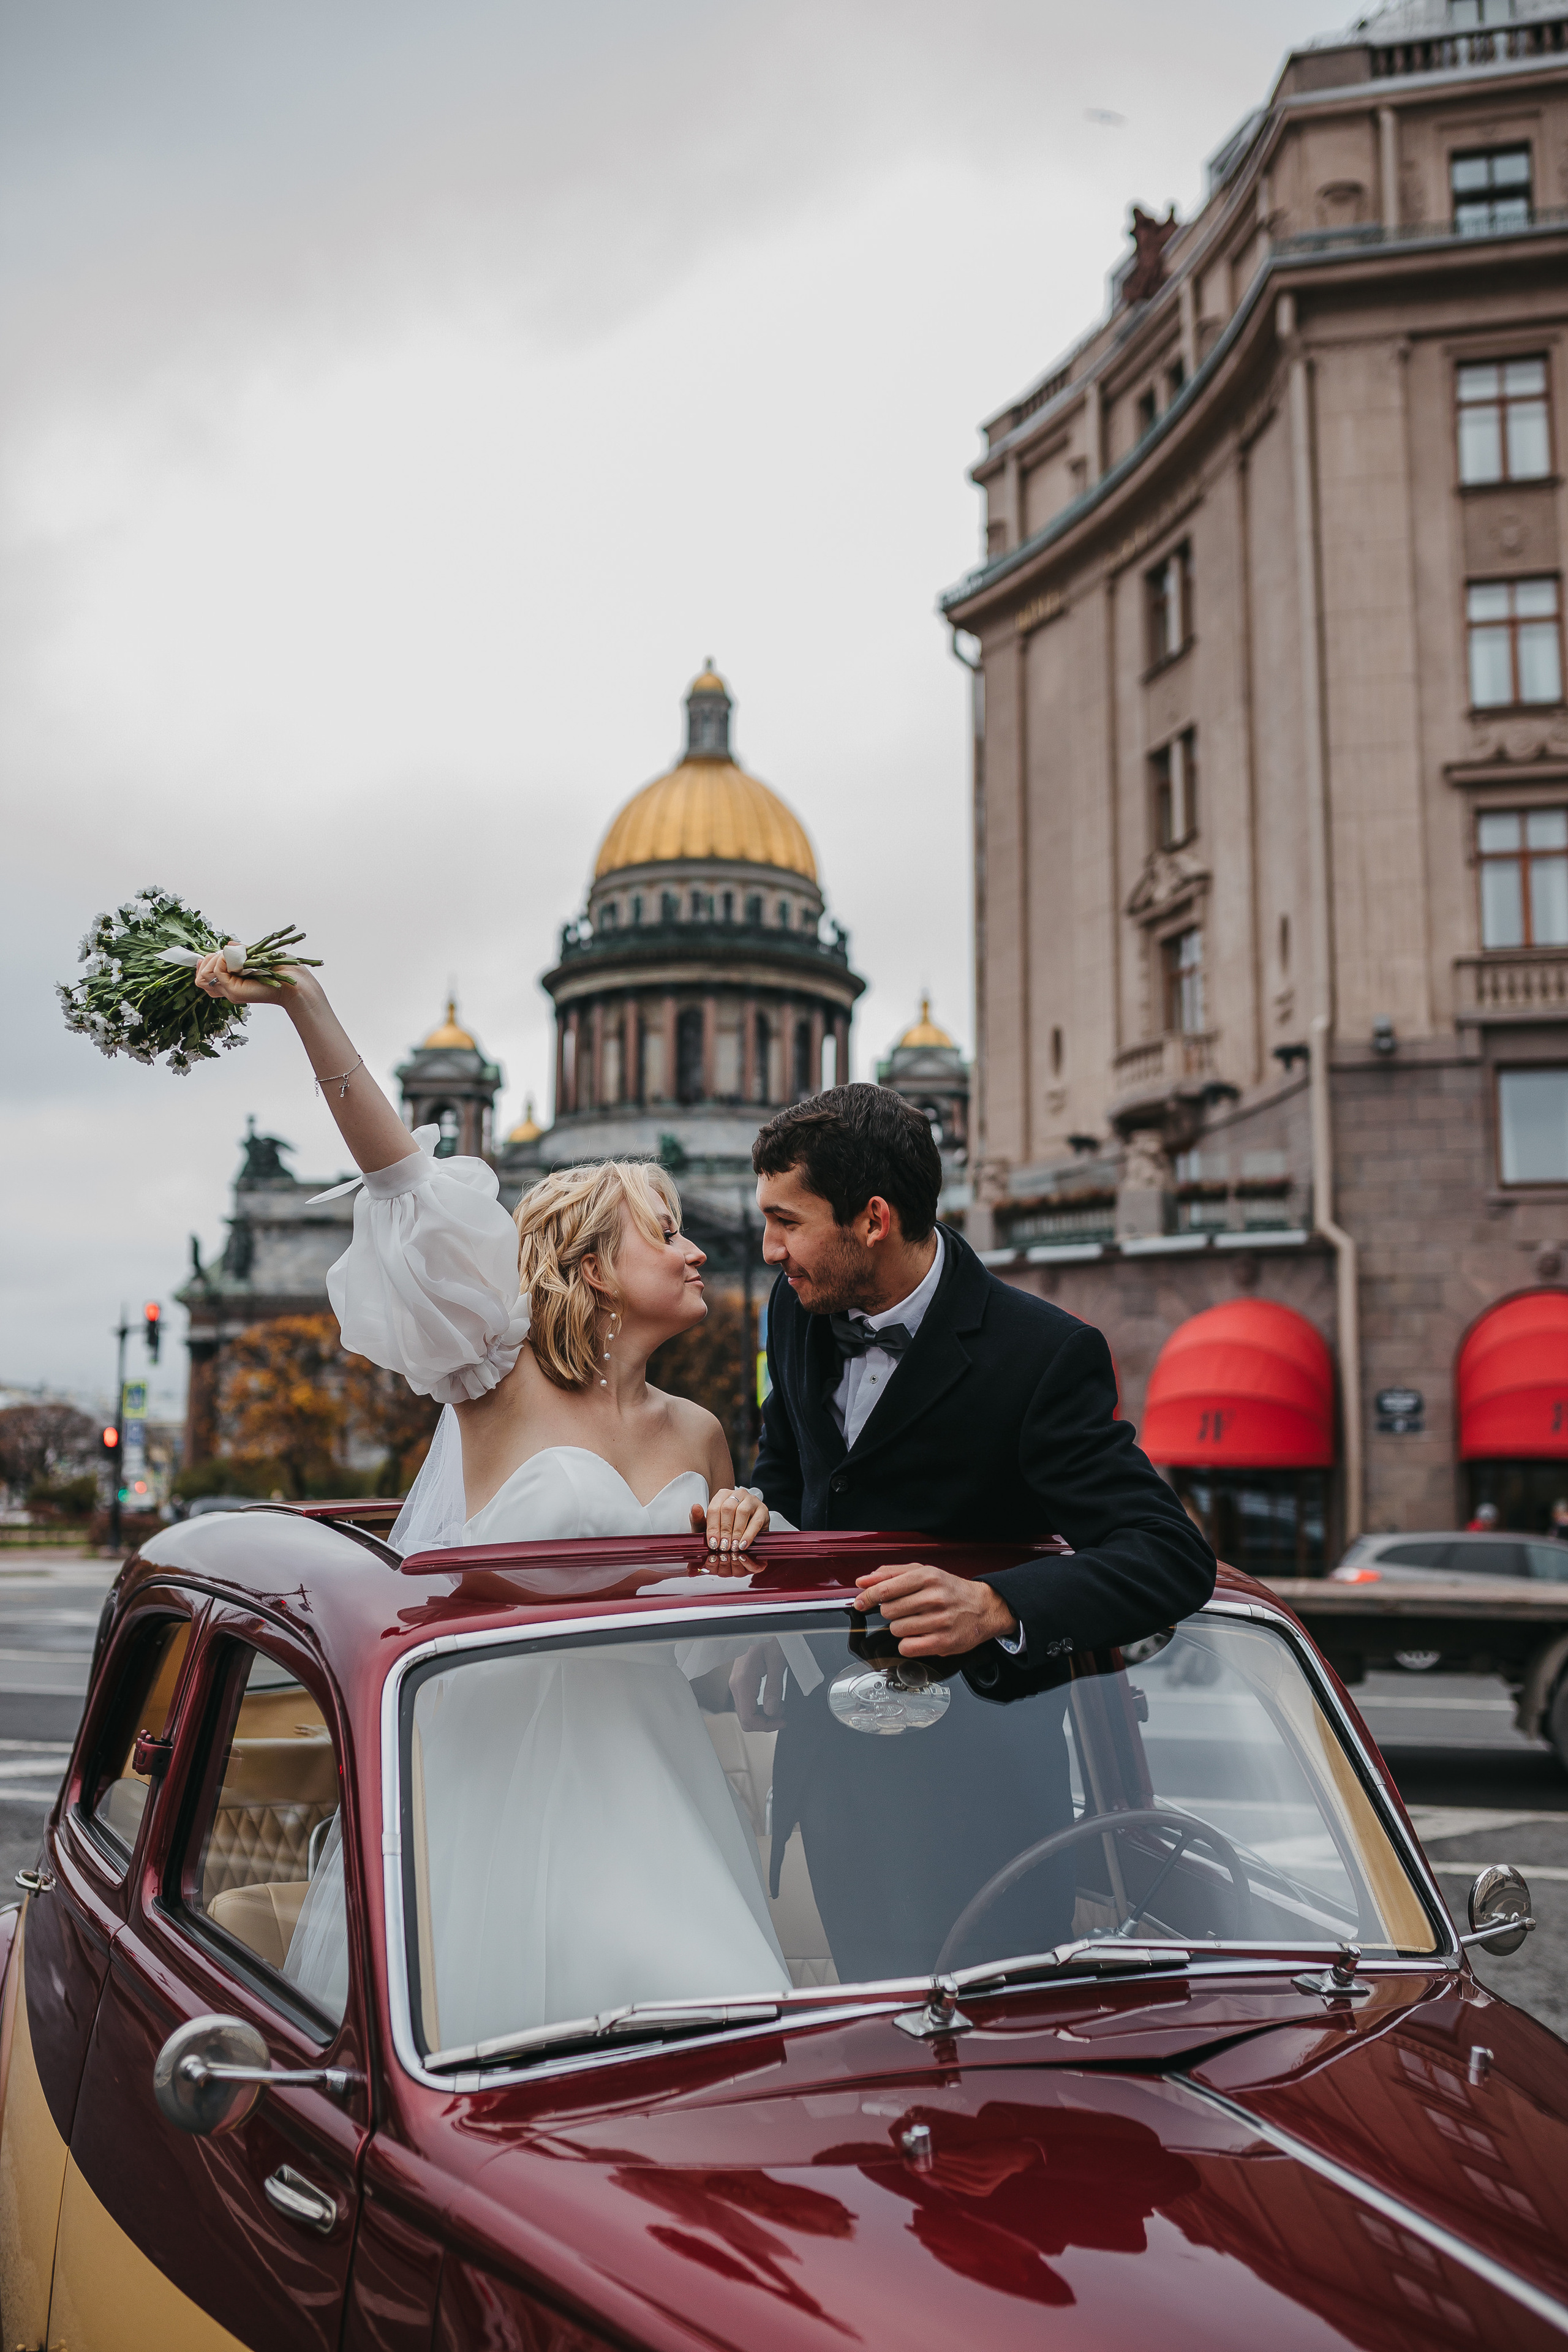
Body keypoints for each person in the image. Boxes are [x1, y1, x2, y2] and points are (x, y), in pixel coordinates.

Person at [192, 948, 789, 2030]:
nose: (701, 1253)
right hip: (490, 1783)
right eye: (667, 1235)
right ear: (595, 1268)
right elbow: (400, 1180)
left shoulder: (703, 1434)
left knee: (709, 2025)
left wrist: (744, 1539)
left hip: (657, 1789)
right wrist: (305, 1005)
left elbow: (706, 1659)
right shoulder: (494, 1374)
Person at [733, 1082, 1218, 1975]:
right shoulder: (794, 1306)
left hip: (983, 1819)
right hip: (831, 1785)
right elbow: (790, 1470)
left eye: (785, 1221)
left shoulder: (1042, 1356)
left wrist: (997, 1606)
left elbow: (1169, 1556)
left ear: (873, 1219)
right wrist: (772, 1599)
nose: (770, 1250)